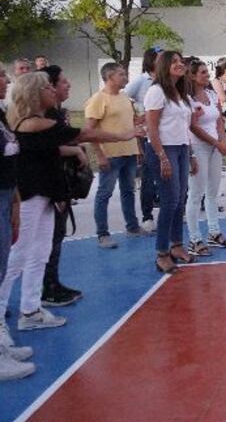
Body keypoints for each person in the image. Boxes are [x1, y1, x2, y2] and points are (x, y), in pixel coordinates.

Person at [3, 72, 138, 328]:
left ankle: (30, 311)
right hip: (30, 196)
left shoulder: (38, 122)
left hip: (45, 194)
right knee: (18, 256)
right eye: (47, 87)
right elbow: (82, 134)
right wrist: (123, 135)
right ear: (34, 93)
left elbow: (56, 147)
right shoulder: (32, 123)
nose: (53, 90)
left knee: (40, 252)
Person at [84, 62, 151, 249]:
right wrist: (100, 155)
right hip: (111, 154)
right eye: (121, 74)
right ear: (109, 77)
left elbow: (131, 124)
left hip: (129, 152)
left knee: (128, 191)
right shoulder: (98, 99)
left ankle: (132, 226)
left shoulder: (124, 98)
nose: (125, 77)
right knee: (104, 193)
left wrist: (138, 148)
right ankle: (102, 233)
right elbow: (89, 131)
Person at [143, 51, 199, 273]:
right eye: (174, 61)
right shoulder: (156, 92)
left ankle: (177, 245)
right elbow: (152, 128)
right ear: (164, 66)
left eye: (181, 61)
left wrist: (191, 154)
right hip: (163, 149)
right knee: (169, 201)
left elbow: (184, 127)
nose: (179, 64)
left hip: (181, 148)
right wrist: (162, 157)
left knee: (179, 200)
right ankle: (161, 253)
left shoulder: (180, 93)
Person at [0, 64, 36, 382]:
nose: (5, 80)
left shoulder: (1, 116)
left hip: (6, 195)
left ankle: (2, 346)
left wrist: (13, 201)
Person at [39, 66, 86, 306]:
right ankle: (46, 288)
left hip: (61, 180)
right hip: (49, 183)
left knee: (57, 234)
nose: (68, 85)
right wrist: (75, 150)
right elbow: (49, 146)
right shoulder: (45, 116)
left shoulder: (58, 112)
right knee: (47, 237)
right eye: (63, 82)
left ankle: (52, 282)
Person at [183, 59, 226, 256]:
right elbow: (193, 127)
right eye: (203, 72)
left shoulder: (211, 94)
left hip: (214, 147)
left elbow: (219, 119)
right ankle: (194, 239)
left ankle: (214, 232)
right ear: (192, 76)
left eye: (207, 71)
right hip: (198, 148)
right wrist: (216, 143)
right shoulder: (187, 99)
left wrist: (222, 140)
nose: (207, 75)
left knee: (212, 191)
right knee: (196, 194)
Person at [125, 46, 161, 224]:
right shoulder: (141, 80)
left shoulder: (166, 80)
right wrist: (136, 117)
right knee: (148, 175)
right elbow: (124, 97)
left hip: (167, 133)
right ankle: (147, 215)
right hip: (148, 134)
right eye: (160, 58)